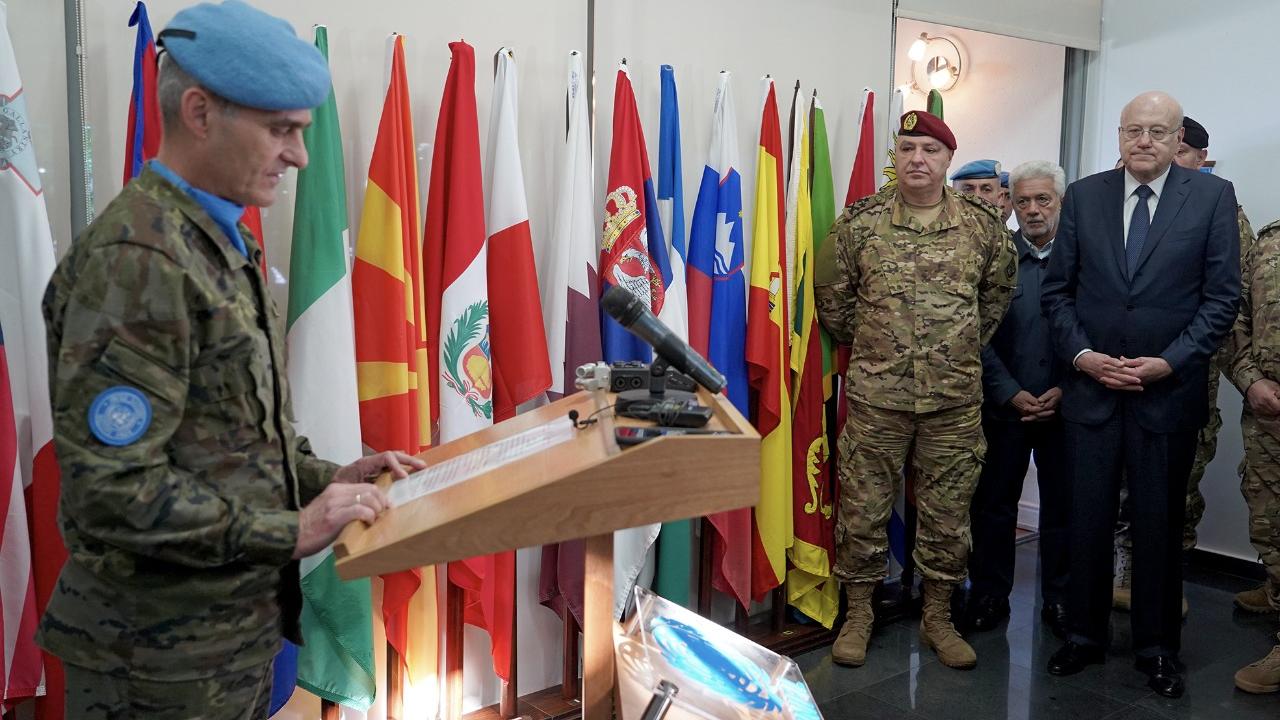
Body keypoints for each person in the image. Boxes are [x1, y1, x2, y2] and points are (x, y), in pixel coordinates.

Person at [36, 2, 424, 717]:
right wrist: (294, 530)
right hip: (154, 662)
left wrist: (328, 478)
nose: (300, 156)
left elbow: (229, 441)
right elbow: (113, 488)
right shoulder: (138, 260)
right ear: (199, 113)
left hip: (228, 640)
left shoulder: (218, 240)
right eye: (281, 130)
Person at [1041, 91, 1240, 699]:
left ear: (1178, 139)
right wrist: (1084, 357)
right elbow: (1057, 293)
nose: (1144, 141)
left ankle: (1157, 648)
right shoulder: (1085, 196)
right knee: (1086, 519)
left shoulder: (1211, 197)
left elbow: (1221, 299)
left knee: (1159, 524)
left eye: (1158, 131)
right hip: (1091, 390)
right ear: (1120, 137)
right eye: (1133, 130)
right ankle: (1083, 635)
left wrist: (1168, 362)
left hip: (1166, 393)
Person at [816, 111, 1017, 671]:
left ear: (948, 159)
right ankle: (859, 614)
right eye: (907, 148)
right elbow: (834, 301)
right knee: (862, 510)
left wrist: (949, 351)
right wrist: (883, 349)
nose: (917, 159)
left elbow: (995, 300)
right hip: (877, 399)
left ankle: (938, 616)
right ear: (895, 157)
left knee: (948, 515)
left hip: (953, 402)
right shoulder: (860, 223)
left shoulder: (982, 227)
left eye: (930, 149)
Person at [1112, 115, 1257, 614]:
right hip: (1118, 372)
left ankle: (1165, 582)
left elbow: (1232, 302)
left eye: (1180, 151)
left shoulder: (1221, 211)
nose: (1166, 157)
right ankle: (1122, 574)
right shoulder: (1117, 199)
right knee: (1118, 485)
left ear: (1198, 157)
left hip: (1186, 378)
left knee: (1177, 489)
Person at [964, 161, 1070, 639]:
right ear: (1010, 202)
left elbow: (1100, 329)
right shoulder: (995, 258)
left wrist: (1065, 388)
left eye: (1043, 199)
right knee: (993, 507)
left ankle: (1062, 599)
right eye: (1023, 200)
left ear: (1060, 202)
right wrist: (1009, 392)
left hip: (1066, 406)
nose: (1033, 210)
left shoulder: (1084, 259)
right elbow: (975, 332)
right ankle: (989, 596)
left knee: (1065, 509)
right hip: (1004, 406)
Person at [1228, 218, 1280, 694]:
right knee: (1269, 519)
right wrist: (1251, 381)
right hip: (1267, 413)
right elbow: (1235, 317)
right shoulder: (1269, 240)